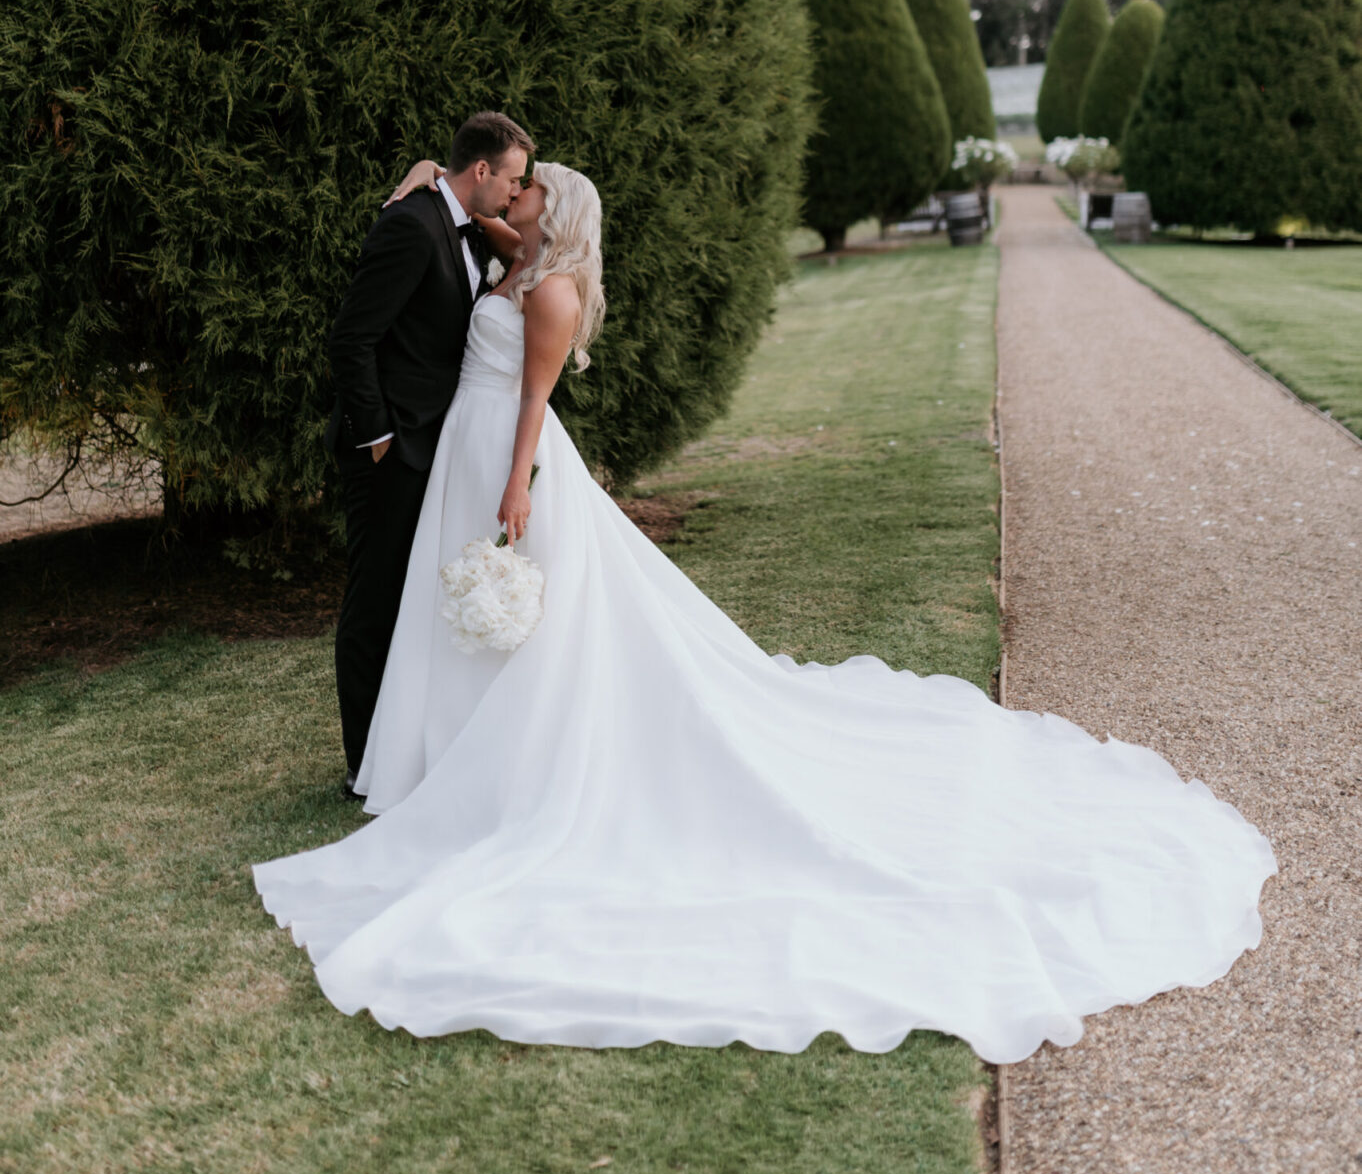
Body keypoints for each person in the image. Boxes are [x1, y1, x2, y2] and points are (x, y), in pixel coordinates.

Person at [257, 163, 1275, 1063]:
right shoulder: (521, 257)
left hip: (508, 455)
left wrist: (519, 478)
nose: (511, 198)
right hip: (466, 448)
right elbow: (482, 227)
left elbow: (535, 394)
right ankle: (441, 751)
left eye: (528, 189)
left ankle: (504, 762)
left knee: (542, 625)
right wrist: (432, 183)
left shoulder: (554, 289)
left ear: (552, 208)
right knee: (480, 615)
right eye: (510, 185)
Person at [324, 111, 534, 798]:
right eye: (511, 179)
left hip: (434, 450)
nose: (513, 192)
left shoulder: (465, 223)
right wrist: (378, 438)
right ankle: (364, 766)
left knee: (412, 604)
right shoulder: (411, 226)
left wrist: (425, 167)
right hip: (392, 452)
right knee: (375, 604)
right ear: (481, 171)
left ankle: (404, 747)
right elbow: (352, 338)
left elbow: (530, 245)